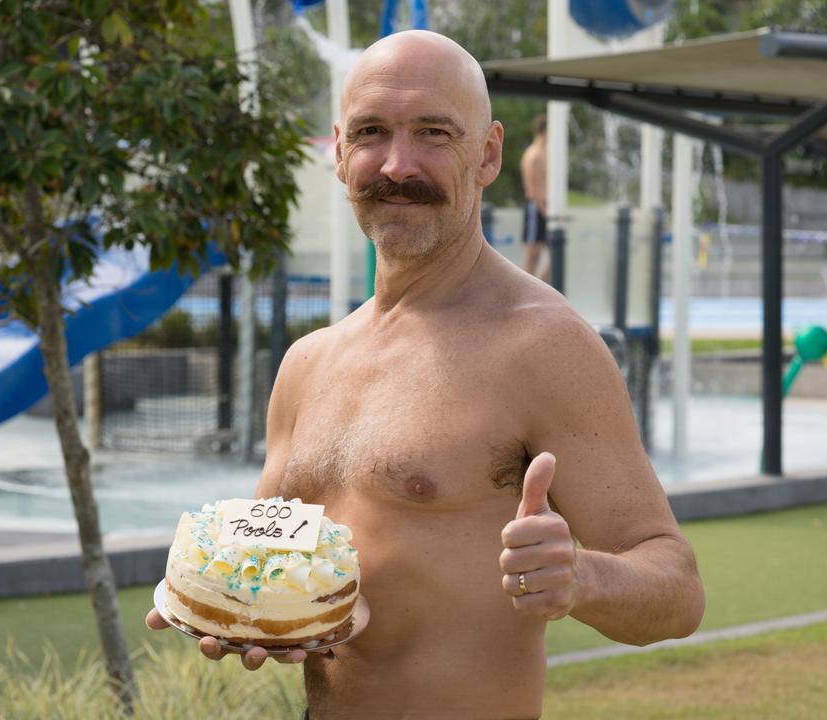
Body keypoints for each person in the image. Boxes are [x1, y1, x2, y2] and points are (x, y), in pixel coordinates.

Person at [147, 30, 704, 719]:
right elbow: (280, 561)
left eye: (434, 133)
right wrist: (234, 606)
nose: (397, 164)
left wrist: (581, 577)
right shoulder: (308, 362)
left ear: (489, 154)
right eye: (371, 132)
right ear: (340, 151)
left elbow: (675, 590)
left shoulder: (541, 344)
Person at [519, 114, 550, 281]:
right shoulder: (533, 155)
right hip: (536, 207)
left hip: (544, 206)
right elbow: (533, 190)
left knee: (554, 255)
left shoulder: (545, 154)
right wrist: (545, 213)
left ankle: (540, 290)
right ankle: (525, 299)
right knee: (532, 257)